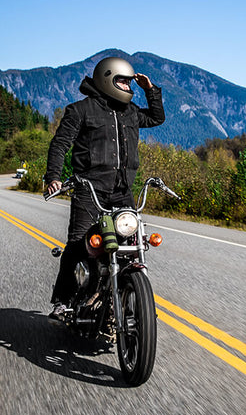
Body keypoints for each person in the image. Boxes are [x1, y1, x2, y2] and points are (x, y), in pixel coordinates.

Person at [44, 56, 165, 318]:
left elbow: (157, 118)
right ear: (107, 78)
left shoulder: (131, 111)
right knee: (78, 244)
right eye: (123, 81)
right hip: (89, 190)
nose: (128, 86)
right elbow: (60, 144)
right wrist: (54, 177)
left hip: (123, 191)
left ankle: (130, 296)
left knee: (132, 244)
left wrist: (149, 91)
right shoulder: (81, 110)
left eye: (129, 82)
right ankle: (62, 301)